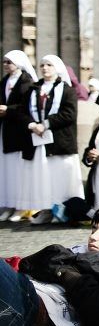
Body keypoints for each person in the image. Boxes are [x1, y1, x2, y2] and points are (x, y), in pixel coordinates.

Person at [19, 55, 83, 225]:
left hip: (59, 143)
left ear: (57, 68)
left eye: (49, 65)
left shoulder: (66, 89)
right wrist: (32, 124)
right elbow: (22, 111)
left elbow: (69, 113)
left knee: (60, 179)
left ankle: (63, 210)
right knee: (42, 179)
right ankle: (45, 209)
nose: (45, 68)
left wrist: (46, 124)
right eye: (42, 65)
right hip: (38, 142)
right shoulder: (33, 89)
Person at [0, 51, 36, 222]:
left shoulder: (26, 81)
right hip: (6, 130)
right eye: (4, 61)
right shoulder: (5, 81)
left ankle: (21, 207)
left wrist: (8, 110)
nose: (6, 64)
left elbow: (27, 106)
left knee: (19, 170)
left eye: (9, 62)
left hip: (21, 132)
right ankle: (8, 204)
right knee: (7, 170)